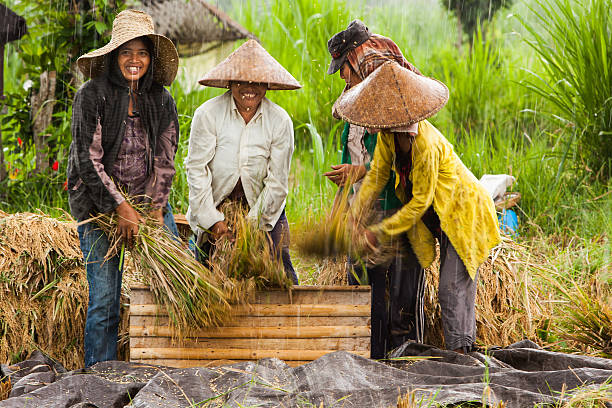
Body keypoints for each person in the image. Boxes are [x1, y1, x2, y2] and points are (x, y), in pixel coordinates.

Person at [333, 61, 501, 353]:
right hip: (442, 217)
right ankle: (461, 353)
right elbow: (375, 178)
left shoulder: (425, 146)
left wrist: (378, 232)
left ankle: (462, 357)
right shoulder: (388, 138)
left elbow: (418, 203)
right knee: (453, 290)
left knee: (452, 290)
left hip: (464, 215)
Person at [68, 9, 180, 367]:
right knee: (105, 298)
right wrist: (119, 207)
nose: (135, 60)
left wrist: (155, 208)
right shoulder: (92, 95)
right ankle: (100, 376)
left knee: (176, 284)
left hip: (146, 202)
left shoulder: (161, 99)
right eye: (126, 52)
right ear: (114, 56)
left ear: (151, 58)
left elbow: (165, 157)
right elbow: (88, 160)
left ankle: (169, 368)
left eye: (142, 52)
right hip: (99, 206)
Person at [324, 20, 425, 358]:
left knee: (400, 302)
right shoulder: (356, 106)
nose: (342, 77)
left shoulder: (394, 101)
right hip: (363, 212)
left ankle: (402, 365)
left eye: (344, 68)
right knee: (365, 297)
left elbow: (398, 160)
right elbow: (348, 161)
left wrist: (359, 172)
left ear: (358, 59)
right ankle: (370, 361)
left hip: (395, 210)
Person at [186, 40, 301, 285]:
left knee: (282, 277)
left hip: (263, 208)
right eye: (241, 81)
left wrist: (251, 227)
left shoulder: (279, 121)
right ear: (229, 82)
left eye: (257, 82)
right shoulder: (207, 115)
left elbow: (277, 183)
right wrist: (213, 221)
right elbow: (197, 170)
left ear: (267, 85)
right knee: (204, 281)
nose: (250, 88)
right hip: (216, 206)